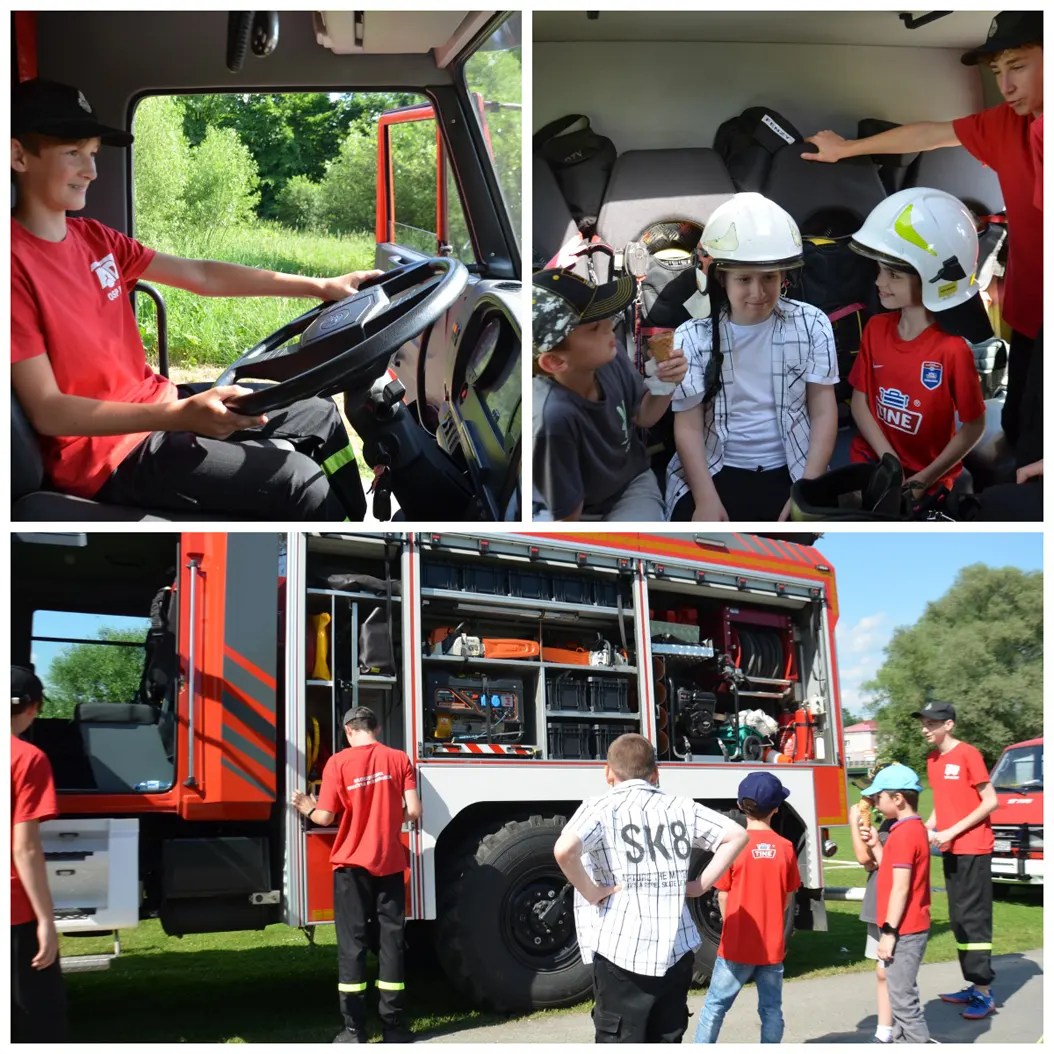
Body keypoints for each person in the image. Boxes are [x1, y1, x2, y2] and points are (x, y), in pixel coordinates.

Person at [12, 77, 383, 520]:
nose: (91, 171)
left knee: (317, 414)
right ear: (18, 155)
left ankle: (353, 519)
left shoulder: (93, 238)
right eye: (73, 154)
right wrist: (181, 416)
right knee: (296, 480)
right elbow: (50, 413)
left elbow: (202, 274)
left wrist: (321, 286)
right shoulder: (13, 264)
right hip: (106, 455)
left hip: (160, 405)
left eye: (92, 154)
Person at [803, 11, 1043, 453]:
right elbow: (931, 133)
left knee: (1035, 448)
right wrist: (846, 150)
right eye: (998, 72)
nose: (1006, 85)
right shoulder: (1003, 124)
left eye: (1019, 66)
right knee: (1018, 429)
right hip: (1028, 319)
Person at [553, 733, 748, 1043]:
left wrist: (591, 892)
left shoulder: (600, 808)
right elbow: (736, 834)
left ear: (608, 772)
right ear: (656, 773)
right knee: (667, 1036)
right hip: (675, 947)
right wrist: (700, 885)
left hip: (620, 949)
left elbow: (565, 850)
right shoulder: (681, 807)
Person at [664, 192, 839, 522]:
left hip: (796, 468)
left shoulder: (814, 323)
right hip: (713, 469)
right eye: (744, 279)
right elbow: (687, 426)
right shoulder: (692, 335)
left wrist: (807, 490)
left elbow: (822, 410)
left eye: (769, 278)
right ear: (720, 278)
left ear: (784, 276)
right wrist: (705, 500)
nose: (758, 293)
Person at [847, 188, 986, 502]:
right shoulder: (875, 328)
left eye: (893, 275)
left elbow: (974, 425)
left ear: (933, 278)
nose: (879, 282)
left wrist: (924, 479)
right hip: (873, 461)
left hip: (929, 477)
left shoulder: (952, 350)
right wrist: (889, 461)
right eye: (880, 270)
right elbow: (860, 402)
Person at [290, 706, 420, 1043]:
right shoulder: (399, 759)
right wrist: (389, 817)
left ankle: (354, 1031)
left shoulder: (338, 762)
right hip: (390, 864)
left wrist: (306, 805)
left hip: (351, 867)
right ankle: (394, 1027)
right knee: (391, 942)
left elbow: (325, 817)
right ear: (374, 728)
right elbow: (415, 811)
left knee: (353, 945)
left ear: (349, 731)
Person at [532, 268, 688, 521]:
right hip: (576, 510)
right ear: (554, 362)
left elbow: (643, 415)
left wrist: (665, 383)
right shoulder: (552, 418)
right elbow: (567, 517)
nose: (609, 325)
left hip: (631, 483)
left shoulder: (608, 359)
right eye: (594, 327)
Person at [693, 772, 801, 1044]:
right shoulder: (786, 848)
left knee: (715, 1007)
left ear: (741, 806)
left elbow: (723, 896)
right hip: (771, 947)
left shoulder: (733, 846)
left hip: (736, 945)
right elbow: (787, 898)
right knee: (771, 1010)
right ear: (776, 808)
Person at [914, 700, 999, 1020]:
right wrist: (928, 827)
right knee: (958, 919)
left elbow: (990, 801)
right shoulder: (933, 760)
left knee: (974, 919)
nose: (926, 728)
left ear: (949, 724)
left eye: (932, 723)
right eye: (924, 723)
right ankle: (974, 985)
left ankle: (985, 993)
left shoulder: (968, 754)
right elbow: (944, 802)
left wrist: (952, 830)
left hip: (974, 848)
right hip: (952, 848)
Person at [11, 665, 69, 1043]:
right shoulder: (27, 758)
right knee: (36, 1020)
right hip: (14, 908)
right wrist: (46, 922)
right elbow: (24, 847)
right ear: (35, 707)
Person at [860, 763, 932, 1045]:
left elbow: (900, 888)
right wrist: (877, 843)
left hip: (904, 929)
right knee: (897, 990)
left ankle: (919, 1043)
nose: (876, 803)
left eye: (879, 797)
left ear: (898, 799)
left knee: (903, 1000)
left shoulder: (904, 834)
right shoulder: (910, 829)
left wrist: (888, 933)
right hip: (907, 927)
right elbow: (888, 866)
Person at [848, 794, 897, 1043]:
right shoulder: (889, 826)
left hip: (888, 906)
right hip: (880, 904)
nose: (874, 803)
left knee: (890, 972)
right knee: (883, 972)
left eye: (879, 797)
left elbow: (866, 859)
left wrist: (854, 822)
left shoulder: (898, 829)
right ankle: (885, 1030)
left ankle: (896, 1030)